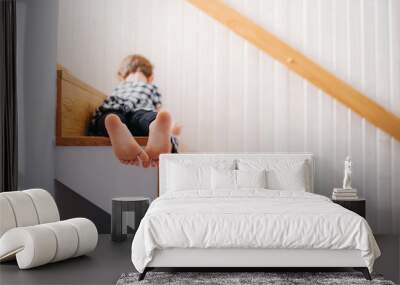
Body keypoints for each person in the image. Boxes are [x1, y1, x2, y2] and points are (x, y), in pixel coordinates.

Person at [88, 54, 182, 167]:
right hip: (139, 112)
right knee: (147, 117)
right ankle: (154, 124)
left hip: (116, 108)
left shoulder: (120, 87)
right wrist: (170, 129)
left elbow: (108, 103)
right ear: (150, 77)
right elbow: (158, 109)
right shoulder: (150, 87)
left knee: (110, 116)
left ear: (122, 76)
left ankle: (115, 126)